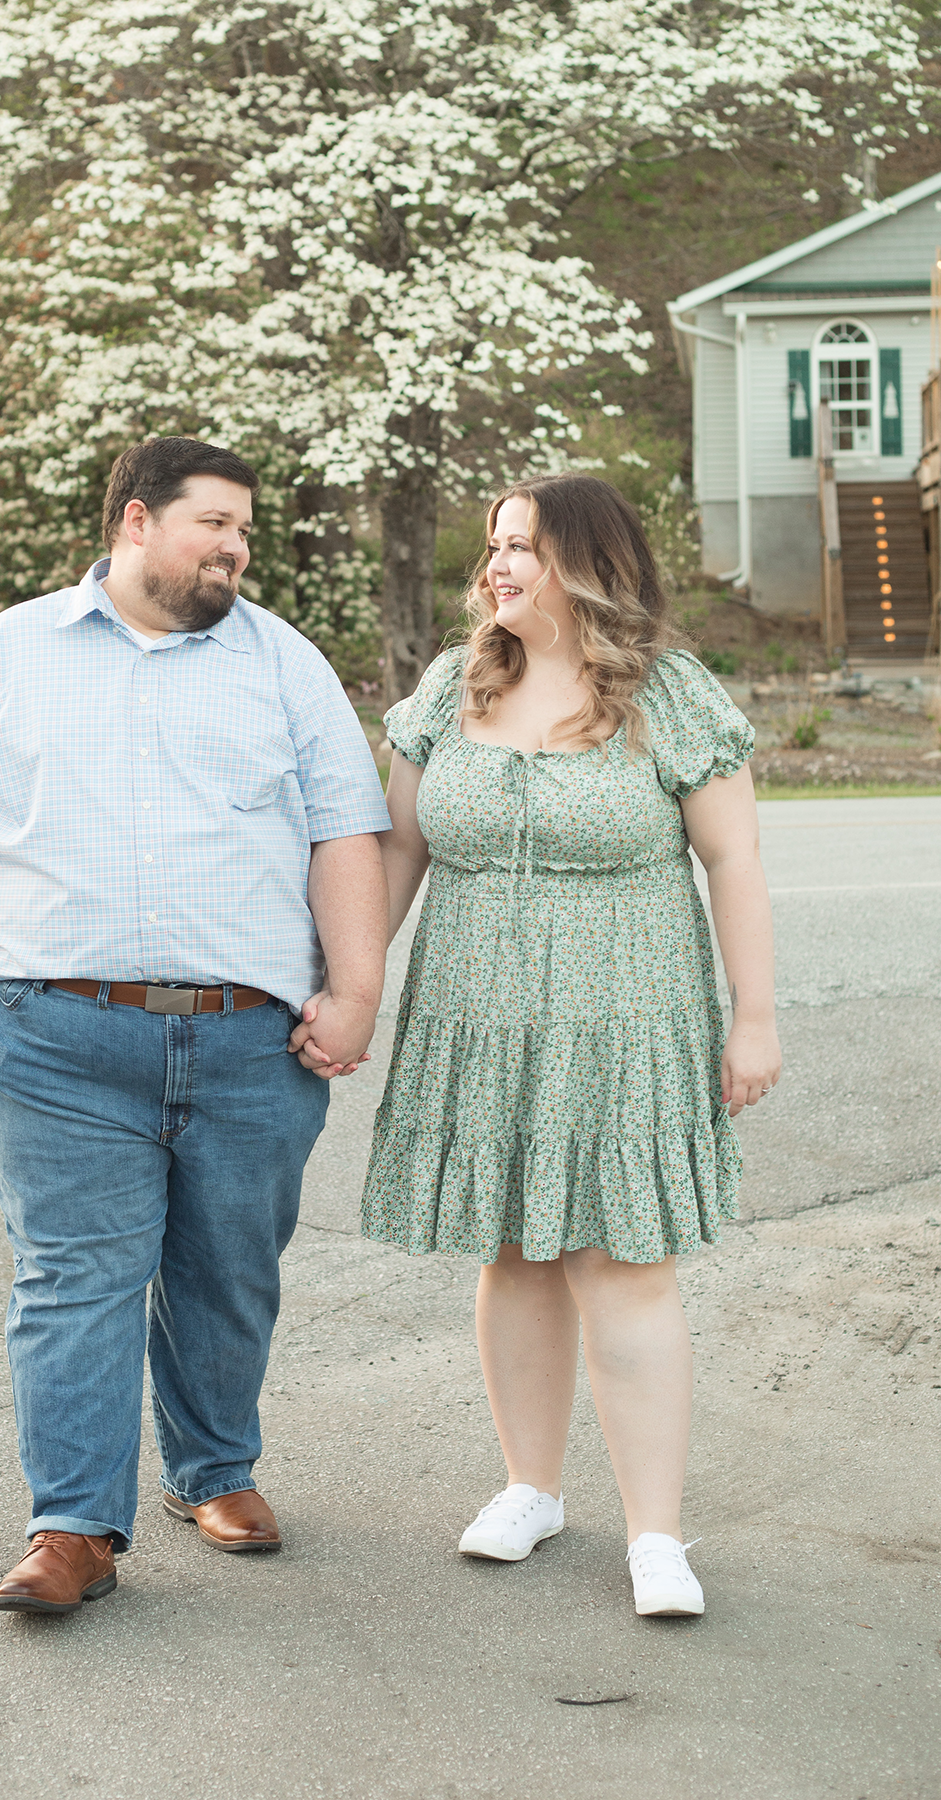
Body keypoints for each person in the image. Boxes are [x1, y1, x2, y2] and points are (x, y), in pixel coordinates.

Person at [0, 436, 390, 1614]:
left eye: (244, 531)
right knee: (74, 1277)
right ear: (133, 521)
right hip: (59, 1032)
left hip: (247, 1040)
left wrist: (356, 988)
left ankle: (213, 1469)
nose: (233, 547)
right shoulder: (11, 651)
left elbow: (344, 835)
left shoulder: (284, 664)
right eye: (212, 522)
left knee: (227, 1274)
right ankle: (73, 1526)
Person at [317, 473, 780, 1618]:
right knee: (512, 1253)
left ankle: (656, 1535)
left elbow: (735, 862)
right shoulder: (454, 682)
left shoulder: (667, 693)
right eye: (491, 546)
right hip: (476, 1018)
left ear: (587, 559)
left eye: (520, 544)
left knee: (623, 1268)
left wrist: (755, 1015)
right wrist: (353, 991)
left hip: (627, 1021)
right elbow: (396, 857)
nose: (496, 565)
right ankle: (531, 1486)